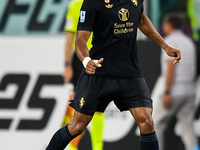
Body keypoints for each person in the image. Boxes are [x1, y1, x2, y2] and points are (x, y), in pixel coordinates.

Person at [46, 0, 181, 150]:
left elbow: (141, 18)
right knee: (76, 126)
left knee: (147, 121)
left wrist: (165, 46)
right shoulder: (92, 3)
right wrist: (86, 60)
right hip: (99, 72)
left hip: (129, 72)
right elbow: (80, 40)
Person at [61, 0, 105, 150]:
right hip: (81, 59)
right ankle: (72, 147)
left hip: (100, 58)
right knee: (78, 105)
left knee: (99, 104)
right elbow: (69, 38)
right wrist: (67, 65)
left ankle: (98, 147)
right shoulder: (75, 5)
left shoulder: (105, 3)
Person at [153, 14, 199, 150]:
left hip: (173, 93)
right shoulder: (189, 42)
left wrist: (167, 92)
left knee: (155, 125)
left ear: (169, 25)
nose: (162, 27)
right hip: (189, 93)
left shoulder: (169, 42)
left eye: (164, 24)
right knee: (188, 128)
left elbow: (170, 68)